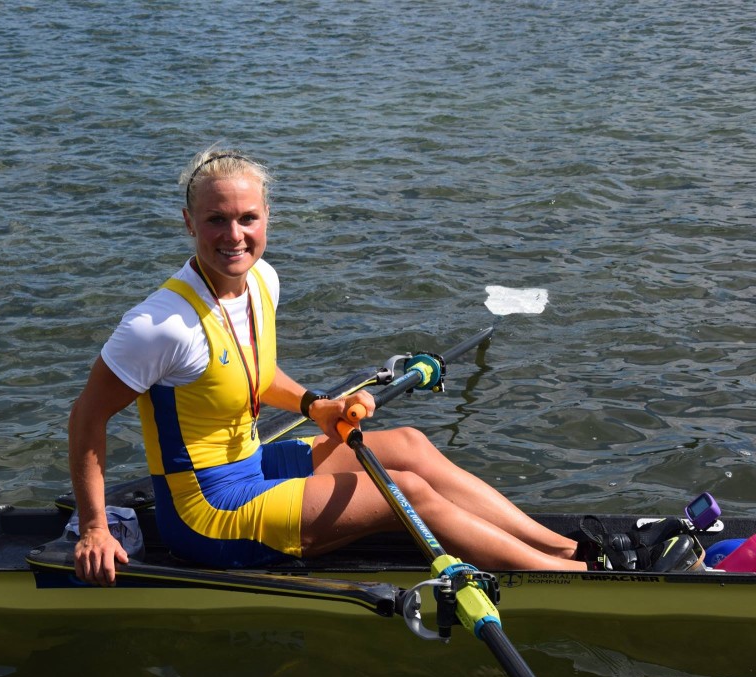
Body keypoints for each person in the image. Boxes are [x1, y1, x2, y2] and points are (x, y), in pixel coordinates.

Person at [68, 147, 683, 586]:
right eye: (216, 219)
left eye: (247, 218)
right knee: (404, 492)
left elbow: (255, 373)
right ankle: (575, 578)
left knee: (410, 446)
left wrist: (316, 407)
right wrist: (95, 528)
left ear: (266, 219)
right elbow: (86, 420)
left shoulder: (261, 282)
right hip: (208, 515)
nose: (234, 235)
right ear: (188, 223)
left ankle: (579, 548)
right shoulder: (159, 324)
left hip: (251, 465)